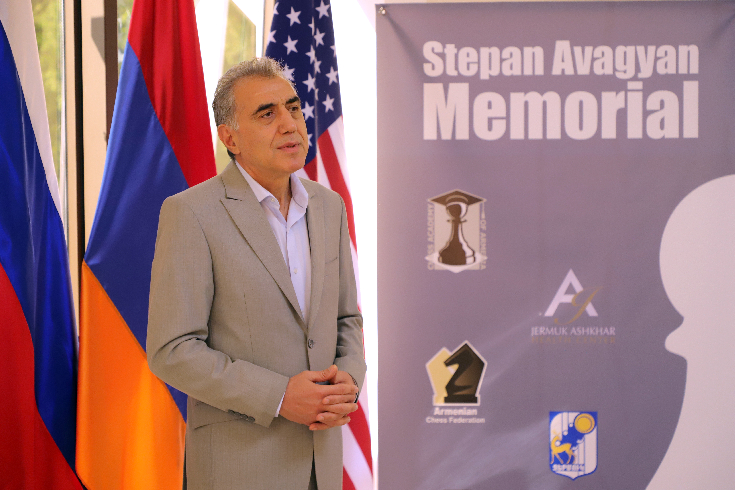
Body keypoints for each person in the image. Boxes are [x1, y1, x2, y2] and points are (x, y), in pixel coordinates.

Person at [146, 57, 366, 490]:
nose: (289, 124)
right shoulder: (191, 213)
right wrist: (279, 396)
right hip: (238, 469)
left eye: (293, 108)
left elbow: (346, 319)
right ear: (230, 138)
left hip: (321, 464)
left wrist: (349, 379)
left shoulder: (329, 206)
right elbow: (172, 350)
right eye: (267, 114)